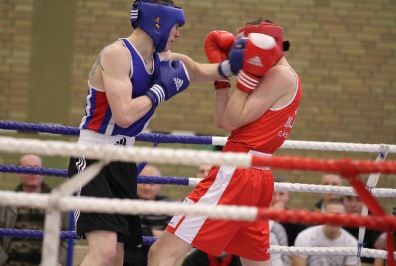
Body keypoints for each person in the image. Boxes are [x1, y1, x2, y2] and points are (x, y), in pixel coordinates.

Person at [67, 0, 246, 265]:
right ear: (158, 21)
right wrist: (159, 92)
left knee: (117, 256)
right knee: (103, 252)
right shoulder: (116, 54)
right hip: (93, 156)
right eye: (177, 26)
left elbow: (195, 71)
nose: (178, 34)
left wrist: (233, 66)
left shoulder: (162, 59)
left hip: (123, 161)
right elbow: (124, 115)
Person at [148, 18, 302, 266]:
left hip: (237, 172)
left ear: (261, 46)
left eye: (245, 49)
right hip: (255, 176)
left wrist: (247, 76)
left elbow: (231, 120)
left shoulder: (280, 74)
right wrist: (222, 78)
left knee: (160, 254)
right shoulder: (272, 73)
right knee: (255, 262)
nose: (242, 57)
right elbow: (223, 121)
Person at [0, 154, 69, 266]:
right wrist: (3, 262)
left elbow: (68, 237)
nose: (33, 171)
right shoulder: (6, 202)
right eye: (28, 167)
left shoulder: (57, 202)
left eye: (36, 167)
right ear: (19, 173)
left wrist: (55, 262)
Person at [123, 165, 174, 266]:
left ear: (159, 185)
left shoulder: (168, 204)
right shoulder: (124, 201)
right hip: (127, 253)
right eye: (143, 182)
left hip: (157, 253)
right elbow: (121, 232)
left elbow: (172, 237)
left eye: (152, 183)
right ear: (135, 183)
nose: (147, 187)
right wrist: (152, 232)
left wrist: (142, 233)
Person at [293, 199, 358, 266]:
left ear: (345, 217)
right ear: (323, 216)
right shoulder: (305, 237)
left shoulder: (352, 244)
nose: (334, 219)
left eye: (338, 216)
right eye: (330, 215)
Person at [270, 174, 310, 247]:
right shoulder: (257, 216)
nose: (277, 199)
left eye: (281, 194)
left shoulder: (294, 220)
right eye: (273, 194)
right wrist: (269, 216)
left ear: (288, 196)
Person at [342, 195, 383, 264]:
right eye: (349, 200)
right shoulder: (337, 226)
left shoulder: (378, 229)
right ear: (343, 202)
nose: (353, 205)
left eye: (359, 200)